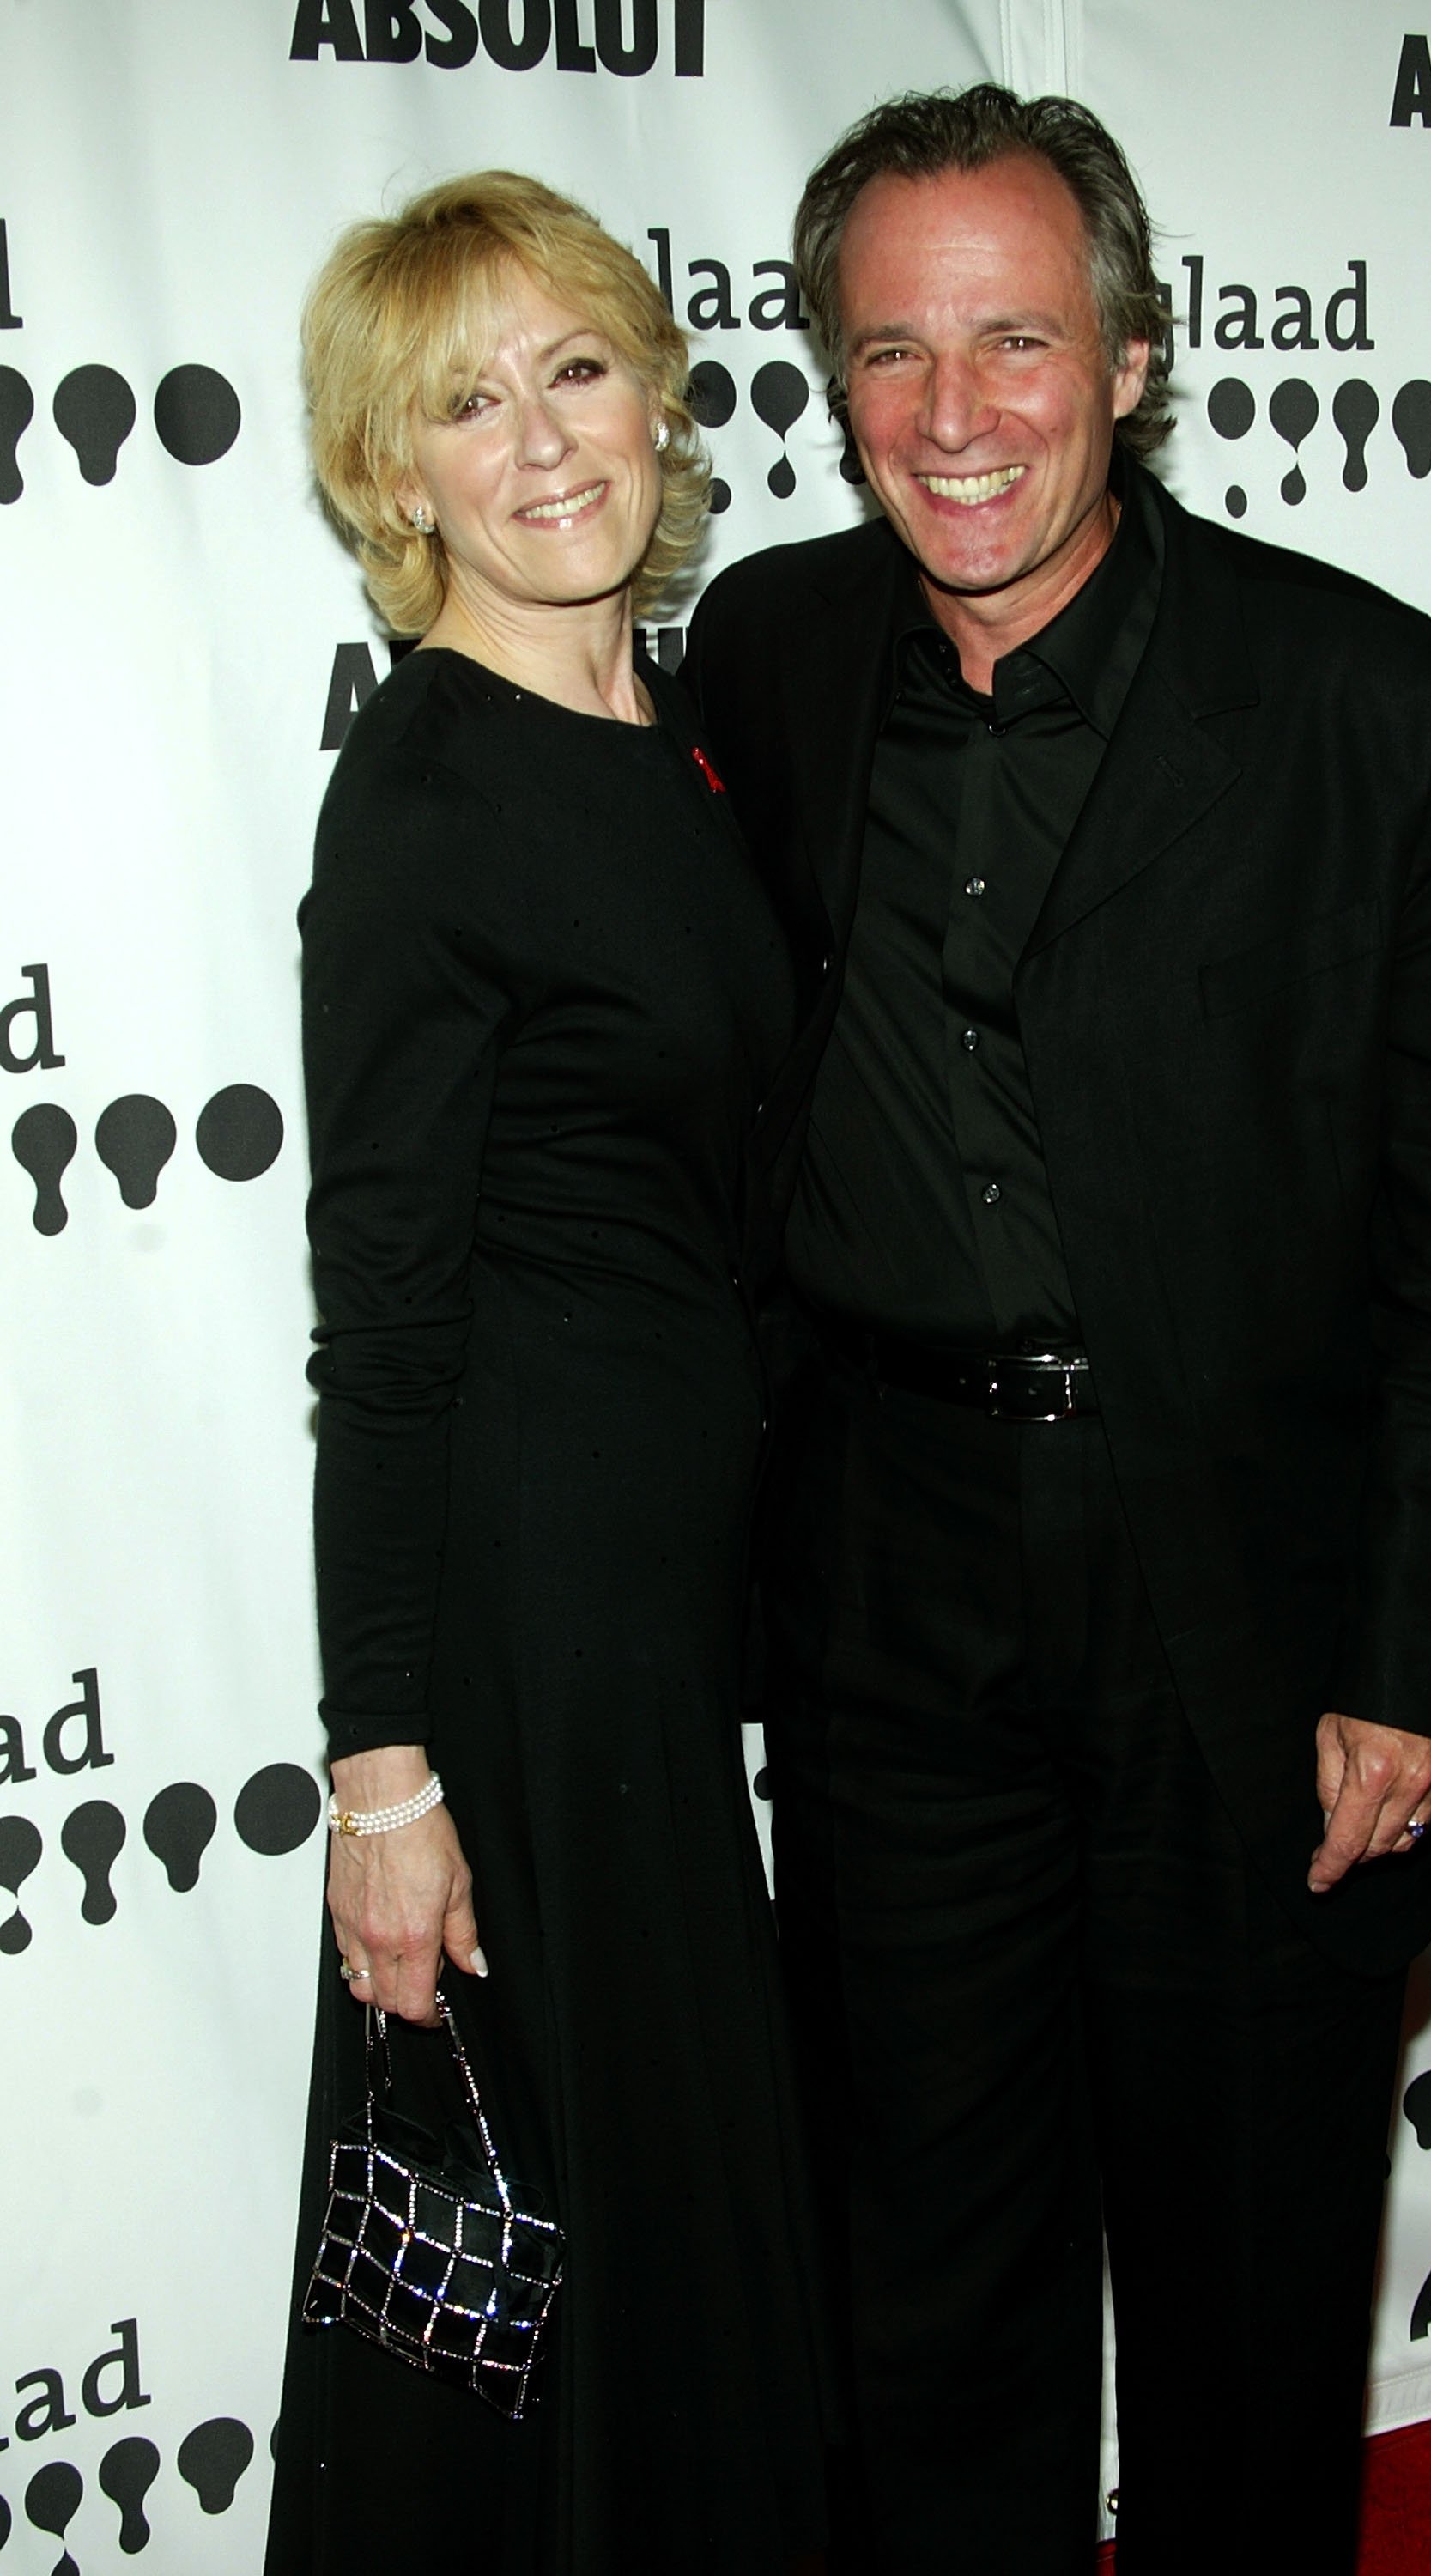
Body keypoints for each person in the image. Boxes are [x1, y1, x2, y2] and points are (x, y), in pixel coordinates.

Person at [682, 84, 1431, 2576]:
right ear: (829, 378)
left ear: (1140, 357)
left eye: (1015, 342)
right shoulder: (766, 646)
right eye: (891, 351)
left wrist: (1422, 1658)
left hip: (1250, 1600)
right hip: (890, 1580)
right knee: (919, 2293)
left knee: (1250, 2286)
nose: (953, 417)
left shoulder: (1371, 709)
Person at [266, 172, 832, 2576]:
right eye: (464, 408)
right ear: (396, 481)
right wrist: (382, 1767)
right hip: (534, 1620)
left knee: (659, 2195)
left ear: (658, 389)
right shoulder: (421, 806)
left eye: (572, 368)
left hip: (667, 1591)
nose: (541, 444)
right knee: (565, 2218)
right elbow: (381, 1317)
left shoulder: (682, 739)